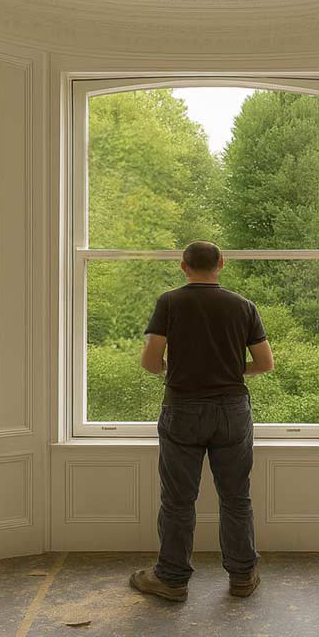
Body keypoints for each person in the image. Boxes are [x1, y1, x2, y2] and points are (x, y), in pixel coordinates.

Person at [129, 241, 275, 602]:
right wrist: (226, 369)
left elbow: (150, 363)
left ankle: (172, 579)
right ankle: (242, 576)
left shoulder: (170, 302)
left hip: (183, 409)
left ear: (183, 266)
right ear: (221, 264)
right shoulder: (243, 306)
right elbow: (265, 363)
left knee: (178, 499)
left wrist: (183, 368)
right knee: (236, 497)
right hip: (232, 411)